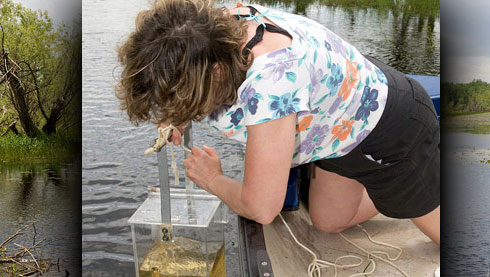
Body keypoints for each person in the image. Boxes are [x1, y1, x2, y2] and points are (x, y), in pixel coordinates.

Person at [117, 0, 440, 244]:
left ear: (214, 73)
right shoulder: (215, 28)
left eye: (189, 96)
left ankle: (424, 179)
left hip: (392, 131)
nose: (191, 109)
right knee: (328, 223)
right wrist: (180, 111)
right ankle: (395, 190)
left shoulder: (272, 82)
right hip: (336, 127)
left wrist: (212, 179)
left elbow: (261, 208)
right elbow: (188, 67)